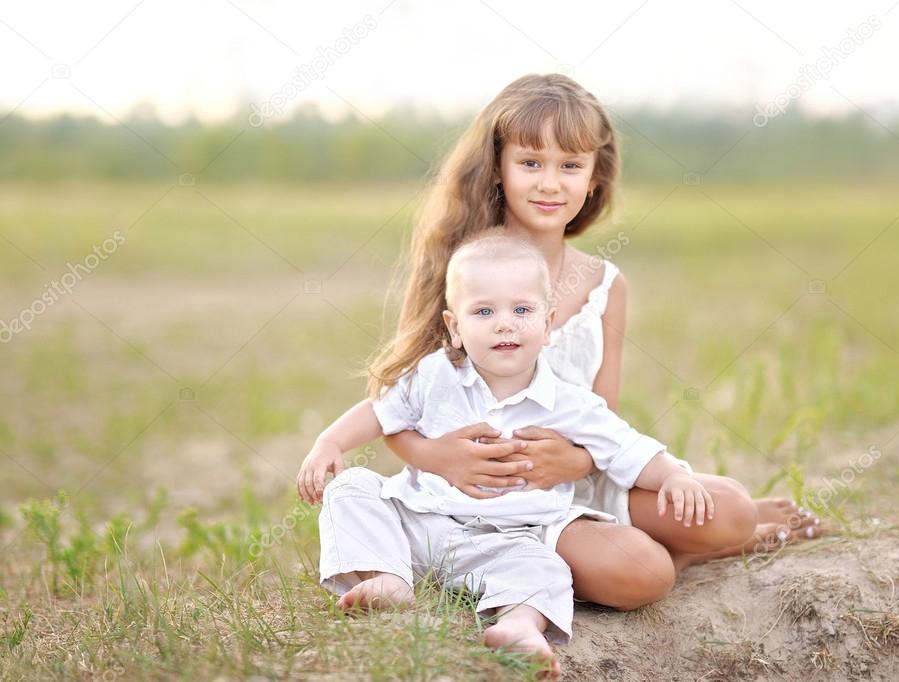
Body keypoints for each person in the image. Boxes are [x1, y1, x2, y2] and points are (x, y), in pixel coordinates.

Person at [297, 72, 820, 611]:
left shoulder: (605, 284)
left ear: (595, 178)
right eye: (530, 163)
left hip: (580, 473)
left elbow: (604, 413)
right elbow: (398, 403)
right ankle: (630, 556)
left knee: (730, 507)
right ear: (497, 168)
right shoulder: (462, 271)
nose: (550, 184)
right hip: (479, 490)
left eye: (570, 166)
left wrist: (572, 463)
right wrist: (439, 458)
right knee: (643, 572)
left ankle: (696, 542)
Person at [307, 234, 716, 676]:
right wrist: (329, 442)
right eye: (484, 311)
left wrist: (673, 475)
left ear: (548, 322)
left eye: (522, 310)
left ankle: (519, 626)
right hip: (419, 525)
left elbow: (626, 446)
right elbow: (380, 410)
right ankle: (385, 577)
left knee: (546, 568)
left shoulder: (568, 401)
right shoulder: (435, 376)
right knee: (352, 487)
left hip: (509, 542)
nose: (505, 324)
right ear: (454, 327)